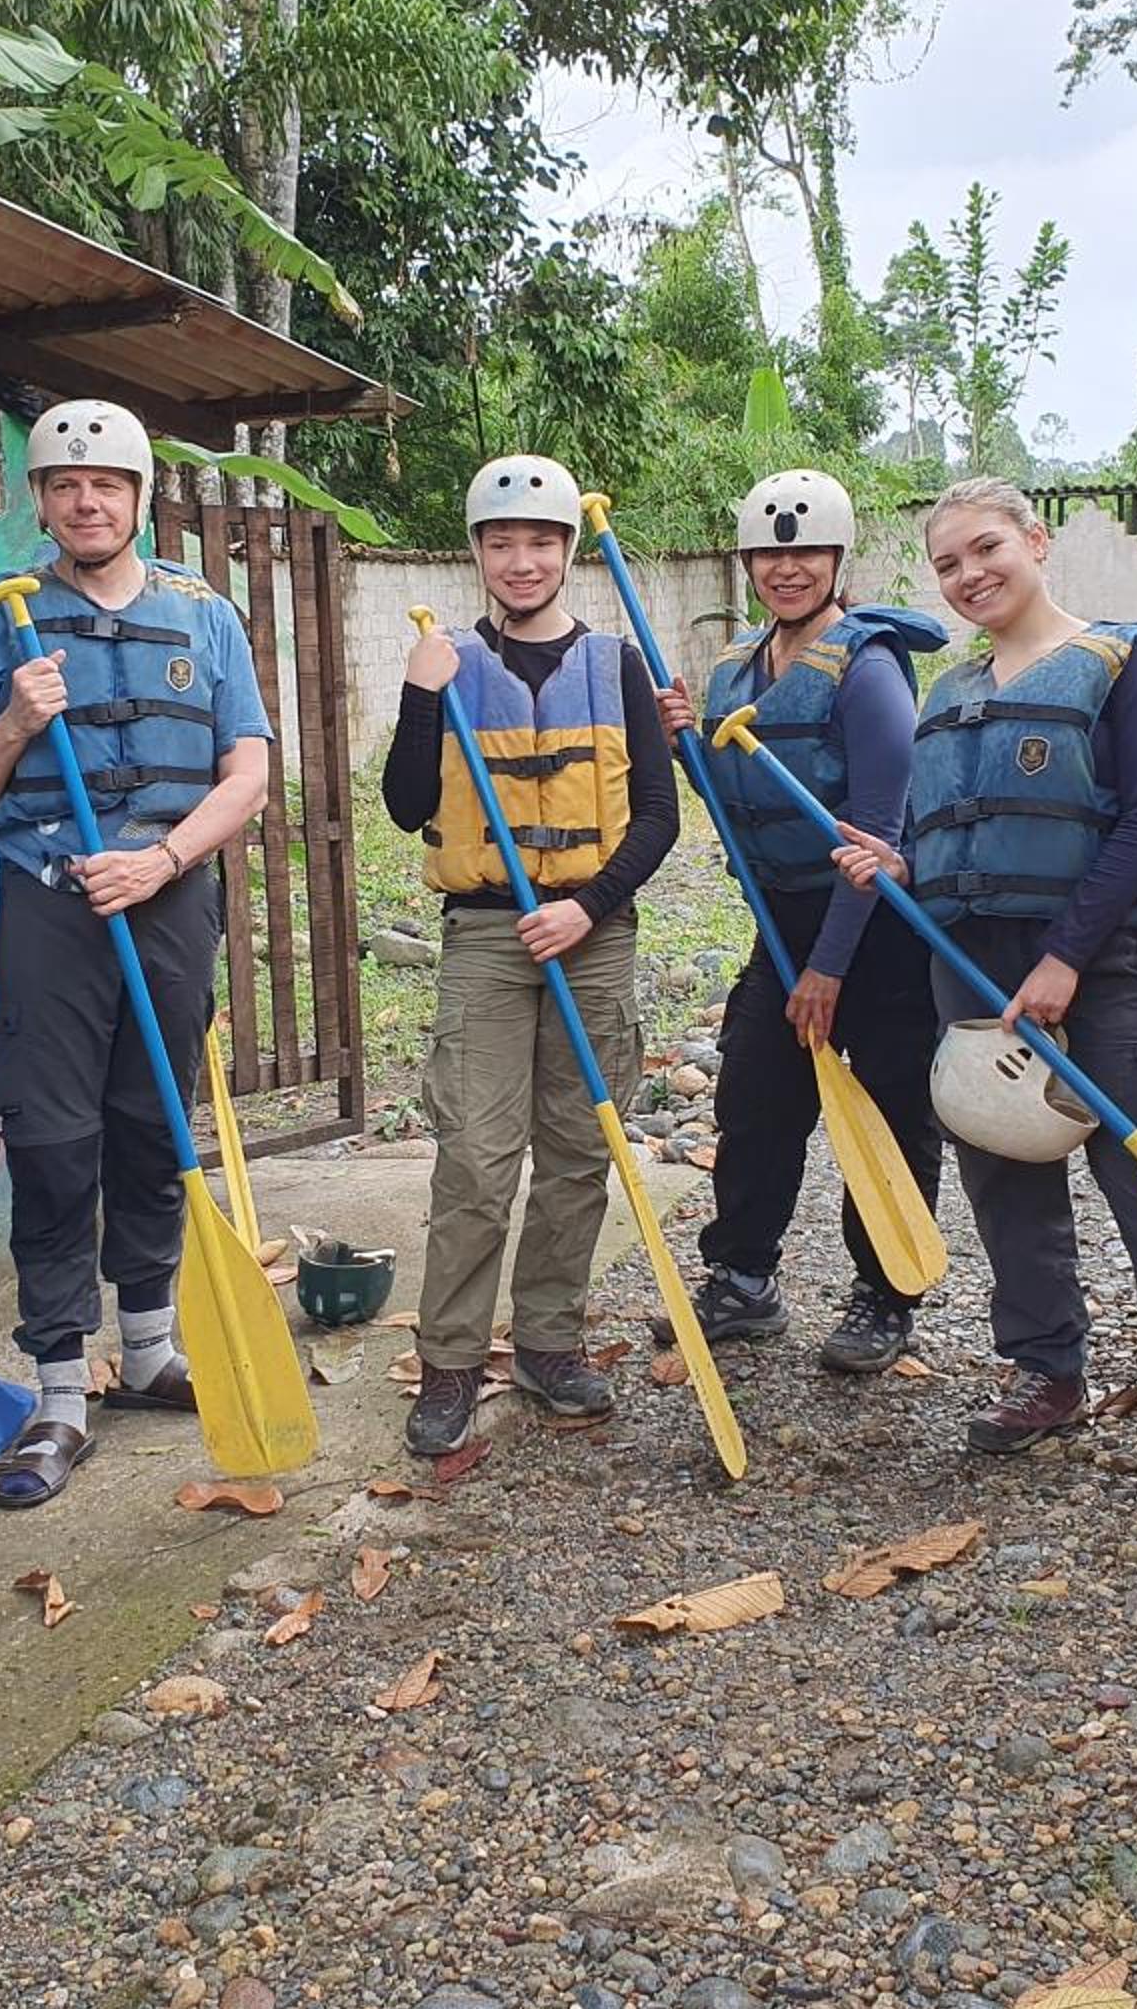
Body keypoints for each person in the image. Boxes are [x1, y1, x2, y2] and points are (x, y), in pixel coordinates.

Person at [833, 476, 1137, 1534]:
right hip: (971, 968)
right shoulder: (948, 692)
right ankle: (1046, 1371)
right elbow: (949, 834)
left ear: (1036, 542)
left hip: (1104, 964)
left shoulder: (1124, 664)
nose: (970, 575)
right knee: (1007, 1180)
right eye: (948, 564)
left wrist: (1067, 959)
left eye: (986, 549)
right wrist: (898, 867)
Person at [0, 399, 273, 1507]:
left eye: (107, 484)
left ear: (139, 498)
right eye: (66, 485)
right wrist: (16, 723)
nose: (87, 502)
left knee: (152, 1123)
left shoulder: (204, 614)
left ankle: (152, 1349)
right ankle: (62, 1392)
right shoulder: (0, 618)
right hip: (50, 906)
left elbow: (249, 775)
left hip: (167, 899)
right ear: (40, 501)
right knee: (53, 1139)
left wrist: (161, 861)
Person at [382, 454, 679, 1456]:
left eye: (542, 542)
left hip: (592, 935)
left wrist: (586, 908)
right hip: (485, 932)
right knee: (475, 1158)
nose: (522, 560)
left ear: (567, 552)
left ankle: (550, 1343)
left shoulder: (618, 666)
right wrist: (422, 694)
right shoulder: (446, 659)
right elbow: (407, 805)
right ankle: (451, 1363)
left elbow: (659, 817)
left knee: (577, 1151)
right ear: (476, 551)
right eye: (502, 543)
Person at [646, 468, 949, 1373]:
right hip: (782, 920)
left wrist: (828, 968)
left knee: (890, 1111)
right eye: (769, 555)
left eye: (807, 553)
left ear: (837, 560)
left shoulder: (869, 669)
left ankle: (886, 1295)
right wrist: (683, 744)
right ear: (747, 563)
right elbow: (734, 800)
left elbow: (877, 832)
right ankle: (744, 1279)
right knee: (754, 1098)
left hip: (875, 924)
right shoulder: (739, 666)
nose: (787, 569)